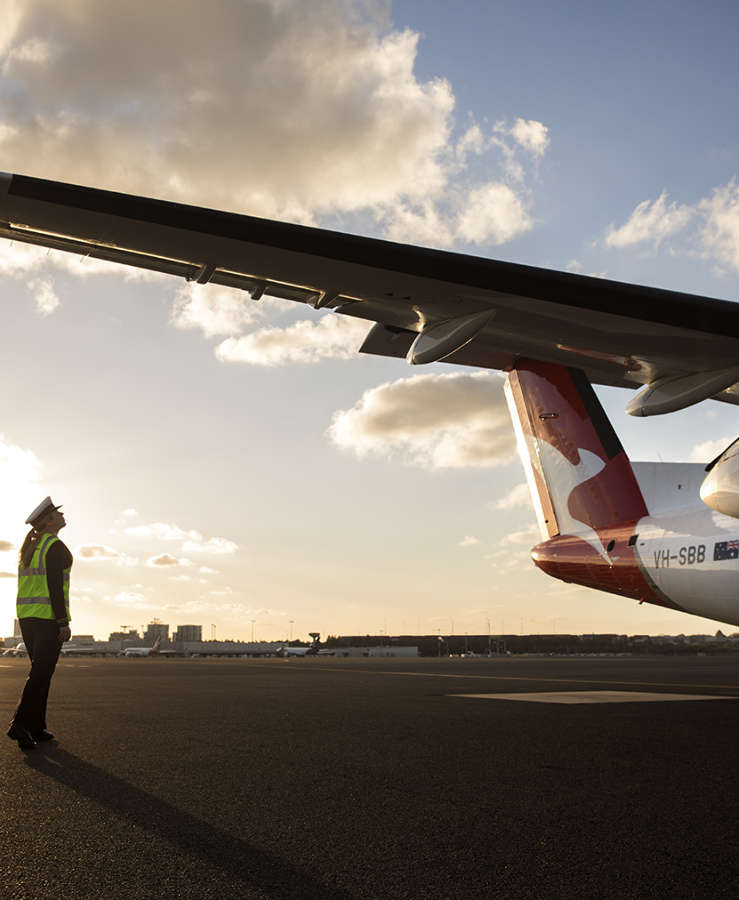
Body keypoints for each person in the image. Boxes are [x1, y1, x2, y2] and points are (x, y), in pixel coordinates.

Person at [7, 496, 72, 750]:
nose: (61, 514)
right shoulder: (55, 547)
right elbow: (55, 587)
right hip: (47, 619)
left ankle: (35, 726)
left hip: (27, 617)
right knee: (41, 672)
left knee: (41, 671)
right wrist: (62, 621)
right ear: (47, 521)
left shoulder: (31, 548)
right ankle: (20, 724)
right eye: (57, 512)